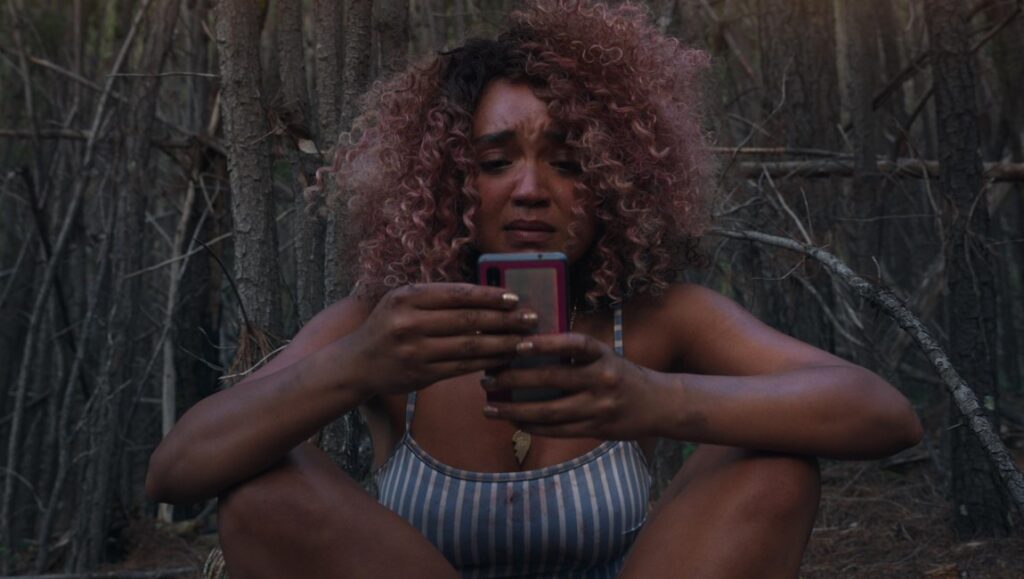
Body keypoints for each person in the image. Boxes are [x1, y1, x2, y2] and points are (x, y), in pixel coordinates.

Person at [145, 1, 923, 577]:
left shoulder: (656, 319)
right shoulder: (394, 326)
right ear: (449, 181)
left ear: (617, 181)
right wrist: (358, 363)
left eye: (568, 160)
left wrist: (653, 398)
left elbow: (884, 413)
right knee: (260, 487)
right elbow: (176, 469)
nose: (530, 189)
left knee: (774, 463)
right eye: (495, 162)